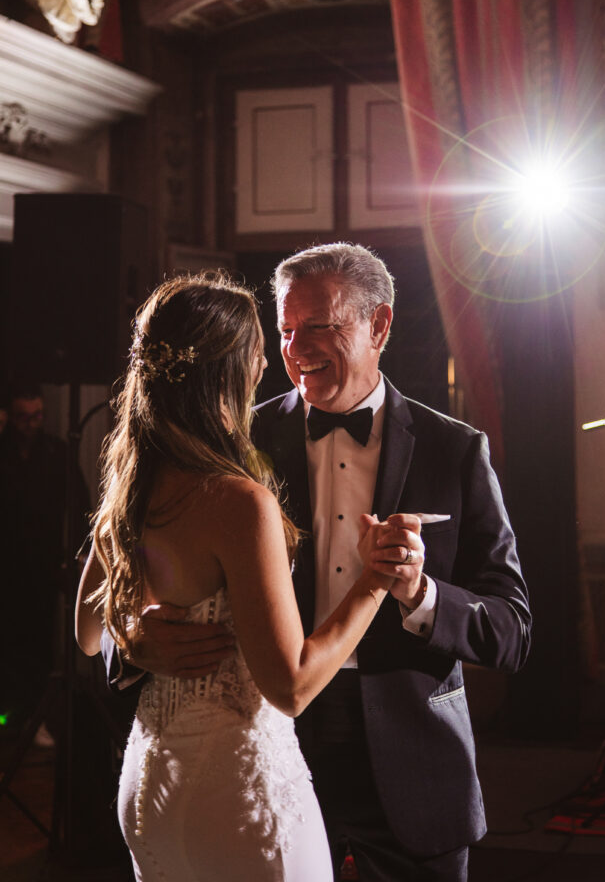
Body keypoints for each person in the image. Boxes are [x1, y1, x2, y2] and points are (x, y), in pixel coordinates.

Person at [113, 244, 532, 881]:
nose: (296, 349)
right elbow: (126, 567)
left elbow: (512, 628)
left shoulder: (455, 451)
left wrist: (420, 595)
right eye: (284, 331)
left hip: (413, 762)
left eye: (319, 327)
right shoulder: (232, 445)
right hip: (262, 753)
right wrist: (133, 642)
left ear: (380, 325)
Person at [76, 273, 415, 882]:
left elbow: (83, 628)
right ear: (228, 371)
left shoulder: (134, 477)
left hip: (150, 782)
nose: (271, 364)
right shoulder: (239, 500)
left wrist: (126, 624)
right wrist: (374, 581)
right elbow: (289, 687)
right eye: (269, 344)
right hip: (239, 792)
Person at [0, 381, 89, 731]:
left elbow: (81, 505)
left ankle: (33, 719)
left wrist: (74, 558)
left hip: (43, 565)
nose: (31, 424)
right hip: (6, 562)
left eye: (37, 416)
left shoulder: (55, 451)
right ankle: (8, 717)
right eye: (24, 417)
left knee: (38, 643)